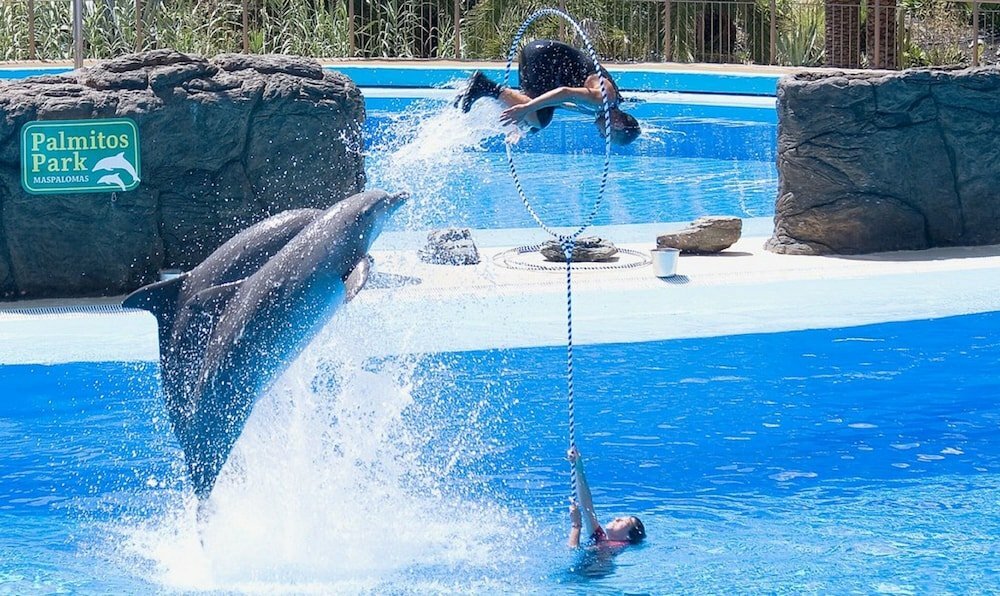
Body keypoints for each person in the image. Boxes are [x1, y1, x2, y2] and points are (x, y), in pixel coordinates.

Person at [454, 39, 641, 146]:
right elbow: (564, 92)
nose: (600, 135)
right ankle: (485, 86)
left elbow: (558, 102)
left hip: (547, 63)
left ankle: (478, 91)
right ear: (616, 124)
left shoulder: (602, 109)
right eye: (605, 135)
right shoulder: (604, 99)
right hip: (545, 57)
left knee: (536, 120)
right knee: (540, 117)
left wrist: (523, 126)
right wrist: (526, 108)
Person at [566, 446, 645, 549]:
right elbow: (587, 507)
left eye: (623, 521)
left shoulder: (611, 550)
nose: (617, 518)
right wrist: (578, 466)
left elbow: (572, 550)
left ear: (627, 537)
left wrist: (576, 525)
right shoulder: (602, 540)